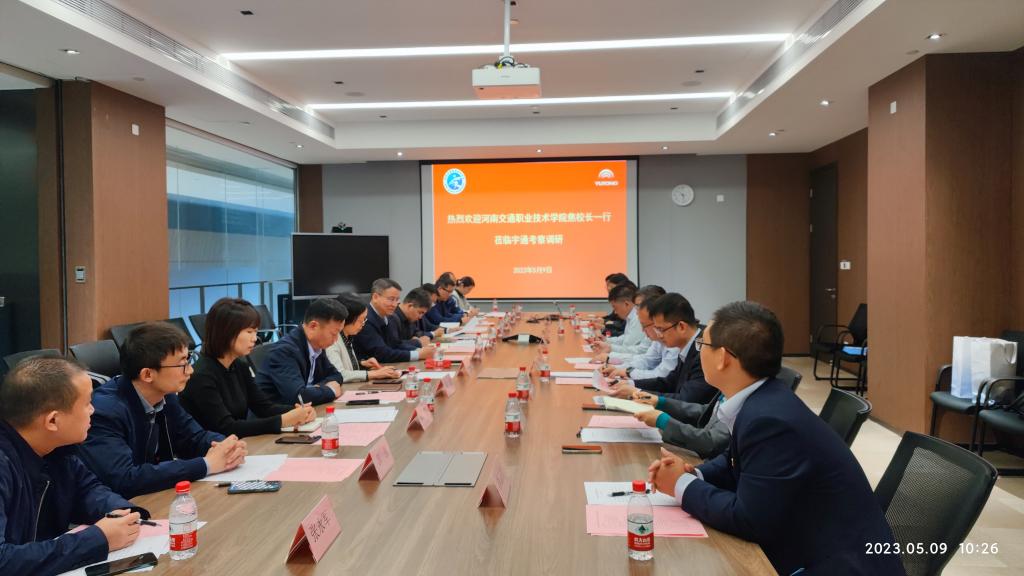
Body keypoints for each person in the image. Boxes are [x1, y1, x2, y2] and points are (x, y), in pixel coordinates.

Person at [647, 301, 903, 575]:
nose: (699, 352)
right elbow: (735, 460)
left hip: (840, 565)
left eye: (703, 345)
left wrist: (681, 485)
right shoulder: (763, 399)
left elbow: (748, 520)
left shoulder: (769, 421)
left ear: (723, 358)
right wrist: (694, 474)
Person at [0, 357, 150, 575]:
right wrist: (98, 539)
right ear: (52, 421)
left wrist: (120, 512)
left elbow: (88, 490)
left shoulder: (58, 449)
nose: (93, 410)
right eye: (87, 403)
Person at [81, 323, 247, 498]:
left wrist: (227, 447)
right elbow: (125, 479)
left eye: (188, 360)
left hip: (157, 497)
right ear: (147, 375)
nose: (190, 370)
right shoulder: (104, 412)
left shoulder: (166, 396)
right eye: (182, 364)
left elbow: (195, 438)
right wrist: (207, 464)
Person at [179, 298, 316, 438]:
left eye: (256, 332)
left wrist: (298, 411)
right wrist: (283, 420)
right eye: (249, 332)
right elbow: (226, 427)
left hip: (237, 445)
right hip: (212, 448)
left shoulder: (239, 366)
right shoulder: (201, 375)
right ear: (226, 332)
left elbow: (264, 407)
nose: (255, 338)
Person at [609, 293, 716, 405]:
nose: (659, 335)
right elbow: (668, 382)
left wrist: (638, 393)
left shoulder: (704, 351)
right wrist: (633, 385)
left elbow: (686, 400)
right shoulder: (687, 345)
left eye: (661, 329)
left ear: (681, 327)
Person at [255, 297, 348, 405]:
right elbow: (299, 397)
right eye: (333, 334)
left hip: (304, 411)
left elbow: (337, 376)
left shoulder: (317, 345)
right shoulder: (284, 352)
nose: (336, 340)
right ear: (313, 326)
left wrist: (316, 389)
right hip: (278, 413)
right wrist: (330, 391)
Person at [354, 278, 436, 363]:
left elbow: (396, 344)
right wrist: (418, 354)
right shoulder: (365, 319)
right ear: (375, 297)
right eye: (391, 299)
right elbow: (382, 354)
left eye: (397, 300)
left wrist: (419, 350)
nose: (395, 304)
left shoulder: (390, 317)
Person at [602, 292, 680, 380]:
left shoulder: (673, 341)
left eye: (638, 305)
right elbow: (647, 360)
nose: (636, 309)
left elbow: (662, 375)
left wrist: (627, 372)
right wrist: (621, 369)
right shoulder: (659, 339)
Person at [326, 296, 402, 383]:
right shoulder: (332, 341)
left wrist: (362, 364)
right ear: (347, 319)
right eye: (361, 320)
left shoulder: (347, 336)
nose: (363, 324)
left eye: (364, 320)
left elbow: (346, 366)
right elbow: (339, 374)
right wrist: (374, 374)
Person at [592, 284, 652, 358]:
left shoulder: (637, 318)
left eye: (615, 307)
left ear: (626, 304)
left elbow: (629, 345)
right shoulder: (631, 316)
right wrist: (606, 340)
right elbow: (626, 338)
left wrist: (610, 350)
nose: (615, 312)